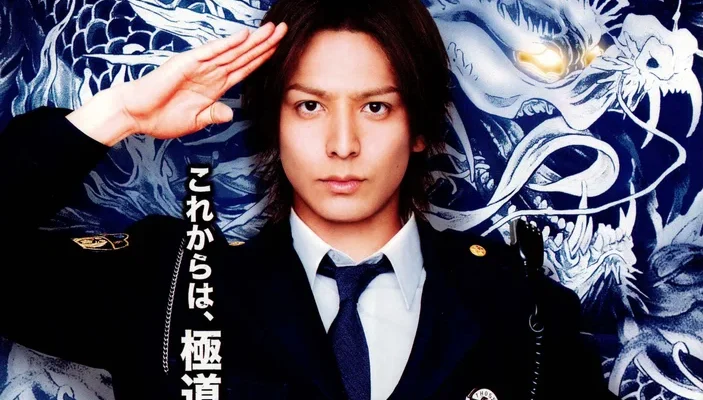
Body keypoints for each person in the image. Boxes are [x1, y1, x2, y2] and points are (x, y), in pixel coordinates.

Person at [0, 0, 616, 399]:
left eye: (376, 107)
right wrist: (114, 117)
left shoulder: (520, 309)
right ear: (275, 124)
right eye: (310, 106)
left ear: (420, 128)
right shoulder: (172, 290)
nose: (342, 144)